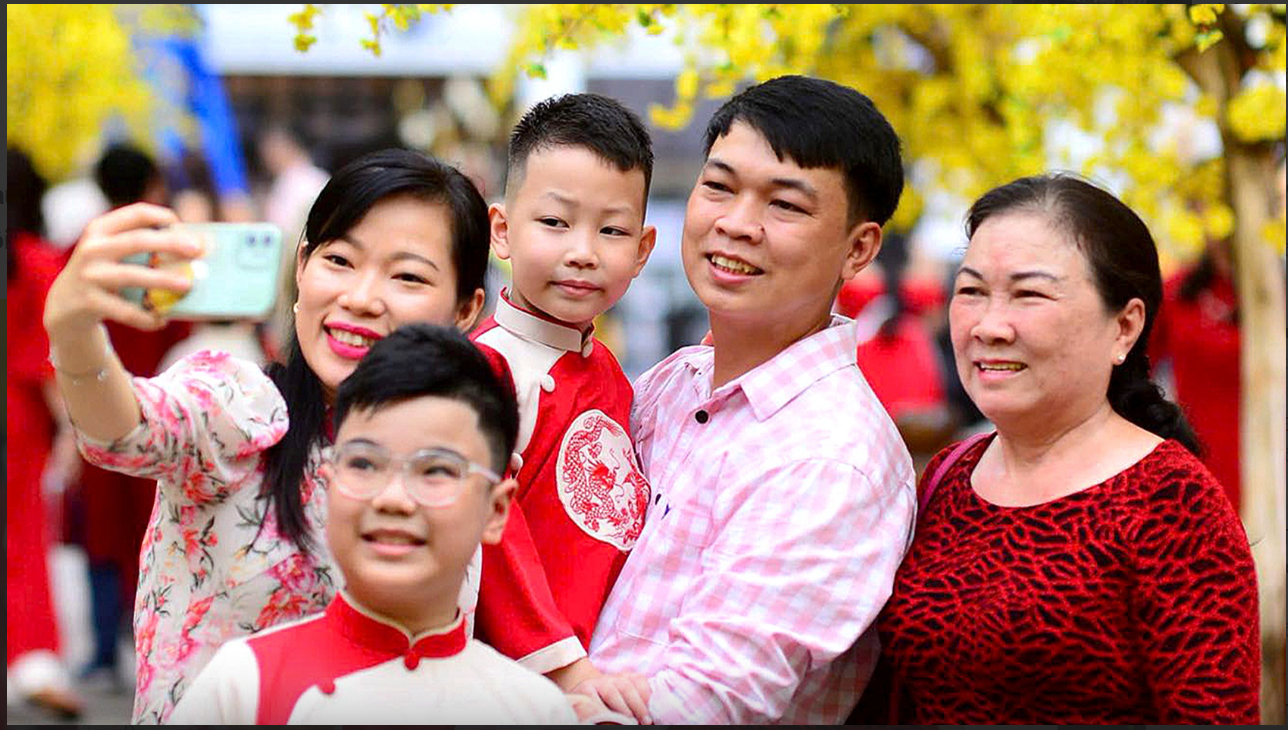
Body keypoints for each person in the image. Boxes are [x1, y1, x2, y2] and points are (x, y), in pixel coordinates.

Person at [42, 148, 490, 724]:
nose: (360, 298)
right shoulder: (240, 403)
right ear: (302, 265)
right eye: (340, 260)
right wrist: (74, 333)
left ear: (465, 309)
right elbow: (125, 429)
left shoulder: (465, 461)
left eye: (407, 276)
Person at [580, 75, 917, 724]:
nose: (735, 224)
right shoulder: (670, 385)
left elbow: (702, 704)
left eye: (784, 205)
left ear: (858, 249)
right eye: (719, 186)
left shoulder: (832, 459)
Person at [872, 172, 1260, 724]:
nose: (989, 326)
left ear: (1124, 327)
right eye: (972, 291)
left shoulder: (1173, 503)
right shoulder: (949, 474)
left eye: (1029, 294)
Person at [168, 324, 590, 724]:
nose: (393, 499)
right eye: (365, 464)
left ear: (495, 511)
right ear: (329, 484)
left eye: (436, 471)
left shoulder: (533, 710)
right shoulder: (244, 686)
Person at [469, 92, 657, 693]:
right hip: (520, 680)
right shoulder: (483, 371)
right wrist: (563, 667)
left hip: (605, 666)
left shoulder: (609, 370)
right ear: (502, 230)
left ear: (642, 251)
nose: (582, 252)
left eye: (612, 230)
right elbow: (490, 535)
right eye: (554, 222)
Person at [6, 146, 84, 719]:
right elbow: (47, 358)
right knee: (24, 539)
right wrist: (70, 432)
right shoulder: (35, 262)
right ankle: (32, 661)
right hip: (18, 421)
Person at [1148, 234, 1241, 511]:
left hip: (1269, 457)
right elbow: (1136, 366)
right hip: (1198, 455)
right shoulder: (1178, 290)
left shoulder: (1274, 297)